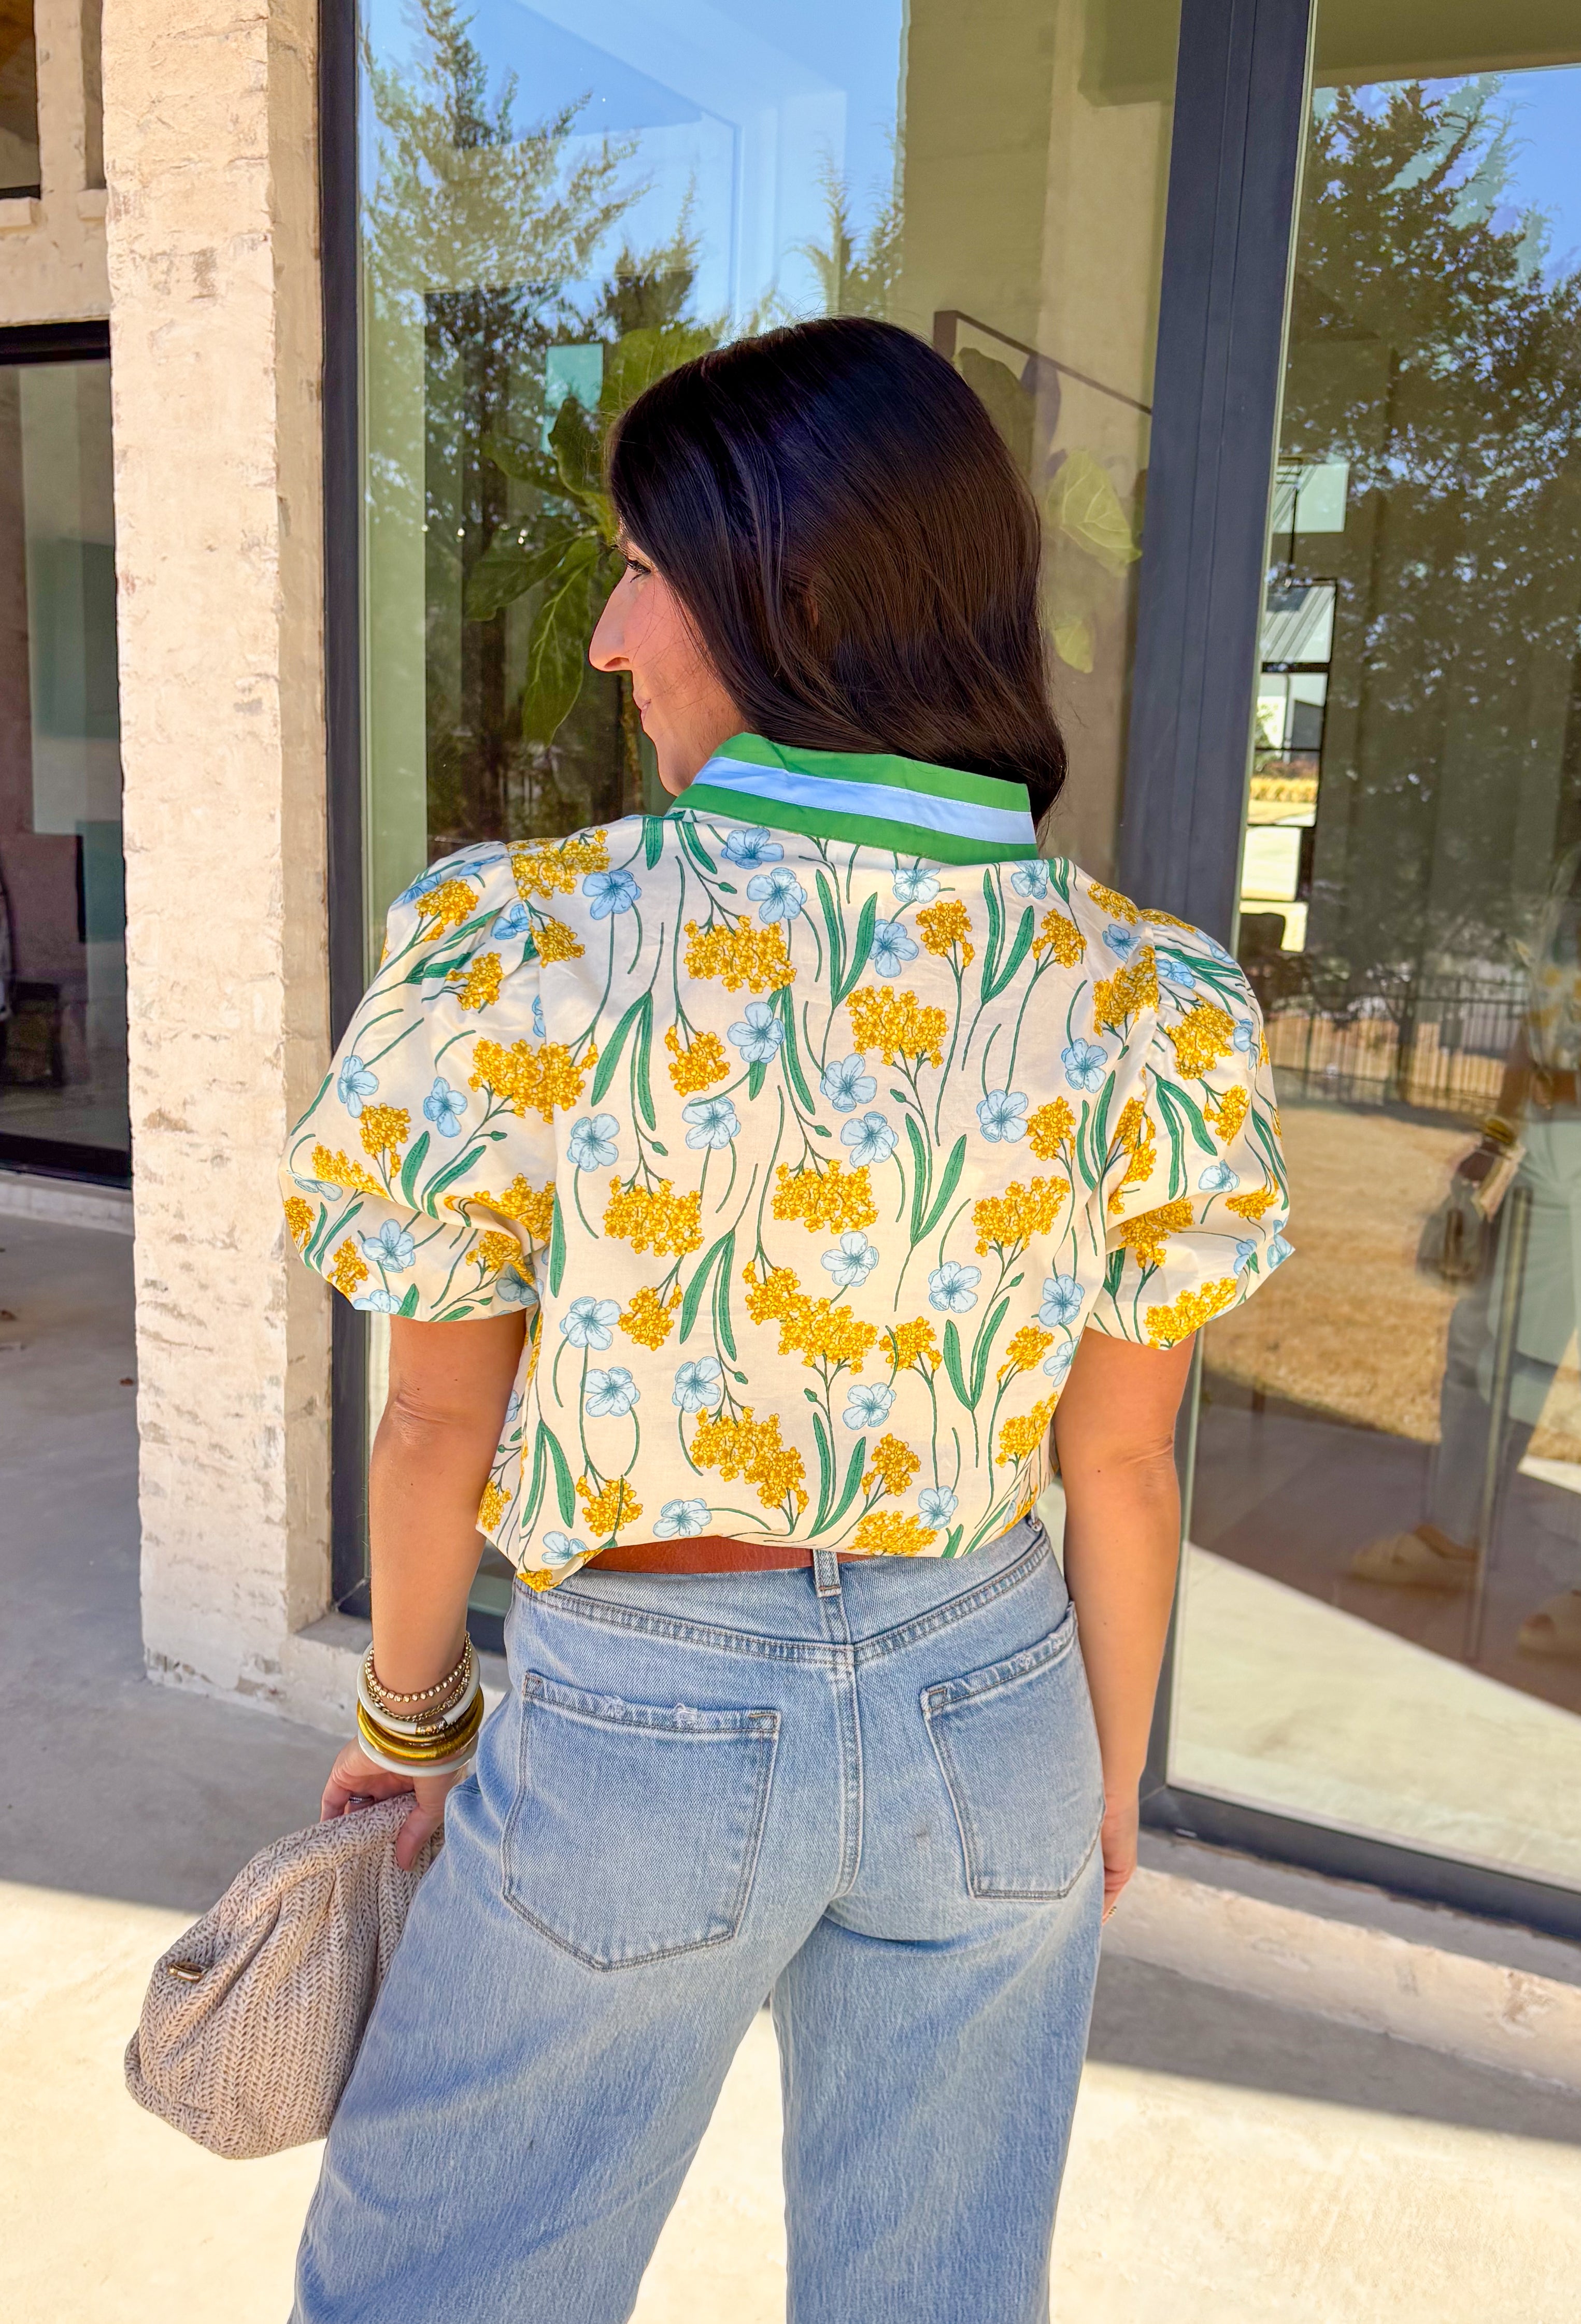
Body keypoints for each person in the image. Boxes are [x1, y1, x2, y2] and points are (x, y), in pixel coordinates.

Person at [280, 316, 1289, 2323]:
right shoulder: (1148, 995)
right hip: (995, 1689)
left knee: (433, 2281)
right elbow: (1116, 1457)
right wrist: (1096, 1763)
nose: (604, 639)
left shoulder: (530, 945)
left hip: (644, 1717)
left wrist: (410, 1720)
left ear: (792, 591)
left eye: (639, 570)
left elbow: (429, 1435)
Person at [1351, 844, 1581, 1660]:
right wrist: (1497, 1135)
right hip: (1556, 1136)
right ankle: (1453, 1539)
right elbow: (1536, 1017)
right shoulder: (1570, 868)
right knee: (1485, 1343)